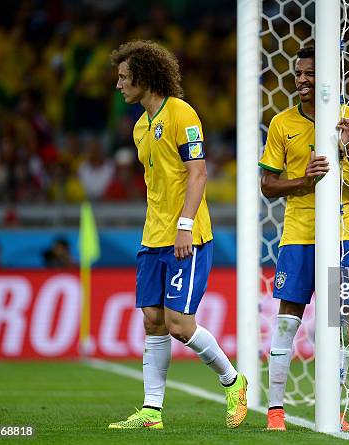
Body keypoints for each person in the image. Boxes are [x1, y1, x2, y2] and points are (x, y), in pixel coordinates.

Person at [108, 40, 247, 430]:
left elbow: (198, 172)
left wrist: (185, 224)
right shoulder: (139, 127)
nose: (118, 85)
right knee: (152, 320)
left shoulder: (181, 113)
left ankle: (233, 381)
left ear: (145, 77)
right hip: (152, 237)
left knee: (179, 326)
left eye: (123, 77)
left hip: (187, 235)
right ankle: (152, 412)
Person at [259, 46, 349, 431]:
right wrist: (303, 181)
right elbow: (268, 185)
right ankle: (275, 409)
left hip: (343, 233)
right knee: (287, 321)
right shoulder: (282, 124)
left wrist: (346, 152)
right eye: (298, 73)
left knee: (337, 322)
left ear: (330, 78)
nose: (302, 80)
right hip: (298, 234)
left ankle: (334, 408)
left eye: (309, 73)